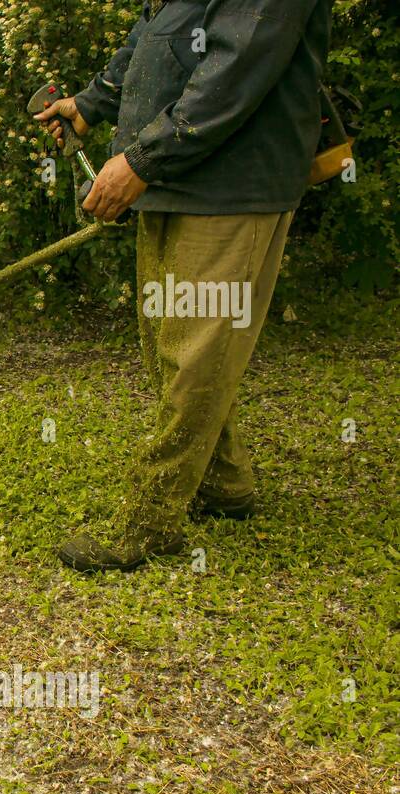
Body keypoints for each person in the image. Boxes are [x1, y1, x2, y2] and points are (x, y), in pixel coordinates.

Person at [33, 0, 332, 572]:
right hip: (173, 178)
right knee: (167, 343)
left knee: (198, 351)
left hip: (233, 182)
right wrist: (92, 103)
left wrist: (143, 157)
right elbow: (158, 31)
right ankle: (224, 480)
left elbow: (238, 65)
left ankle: (148, 520)